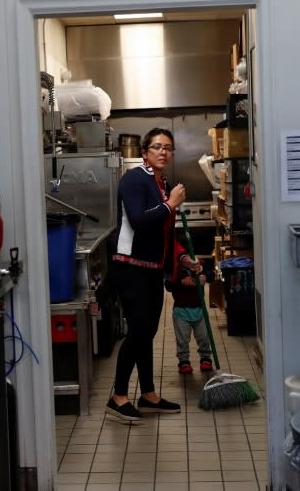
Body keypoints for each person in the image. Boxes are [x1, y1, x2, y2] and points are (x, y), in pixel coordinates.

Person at [105, 127, 199, 423]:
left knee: (148, 333)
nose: (163, 151)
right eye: (157, 147)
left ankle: (147, 394)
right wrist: (171, 204)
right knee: (139, 331)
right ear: (145, 153)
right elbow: (139, 221)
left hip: (152, 269)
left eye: (168, 147)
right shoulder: (135, 180)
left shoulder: (162, 183)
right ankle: (118, 396)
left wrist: (181, 257)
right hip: (130, 266)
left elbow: (164, 233)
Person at [165, 258, 215, 374]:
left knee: (203, 336)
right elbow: (168, 285)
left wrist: (204, 276)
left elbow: (212, 274)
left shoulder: (200, 264)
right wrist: (180, 281)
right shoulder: (174, 267)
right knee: (182, 339)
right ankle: (184, 361)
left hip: (199, 309)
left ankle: (205, 358)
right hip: (180, 310)